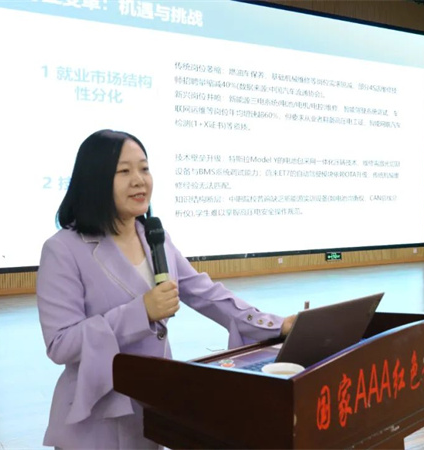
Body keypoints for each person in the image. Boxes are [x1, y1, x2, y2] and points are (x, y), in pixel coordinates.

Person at [36, 129, 297, 449]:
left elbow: (206, 294)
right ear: (95, 179)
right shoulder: (63, 249)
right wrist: (141, 312)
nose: (139, 180)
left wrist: (274, 324)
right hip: (96, 417)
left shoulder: (153, 236)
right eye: (124, 171)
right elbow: (61, 344)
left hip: (151, 404)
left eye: (144, 168)